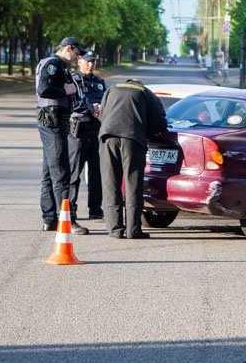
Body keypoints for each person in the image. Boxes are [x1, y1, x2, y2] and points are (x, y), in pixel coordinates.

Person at [99, 77, 167, 239]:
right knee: (132, 183)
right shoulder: (146, 92)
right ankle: (133, 230)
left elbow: (102, 114)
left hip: (108, 137)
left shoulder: (112, 88)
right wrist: (148, 132)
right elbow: (159, 122)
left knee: (110, 183)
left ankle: (114, 229)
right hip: (132, 138)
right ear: (139, 84)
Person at [35, 37, 88, 234]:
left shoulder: (58, 65)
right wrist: (66, 90)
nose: (77, 58)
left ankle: (50, 219)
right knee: (61, 172)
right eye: (76, 53)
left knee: (49, 172)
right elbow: (44, 89)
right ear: (68, 48)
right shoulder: (54, 64)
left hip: (53, 121)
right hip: (53, 121)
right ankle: (67, 220)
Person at [67, 51, 106, 221]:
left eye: (93, 62)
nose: (90, 65)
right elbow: (72, 103)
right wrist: (91, 109)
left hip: (96, 130)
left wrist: (101, 109)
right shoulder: (72, 80)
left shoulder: (99, 82)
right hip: (79, 130)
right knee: (74, 172)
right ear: (79, 62)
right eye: (87, 61)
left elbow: (106, 101)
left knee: (96, 172)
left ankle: (95, 208)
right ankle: (70, 208)